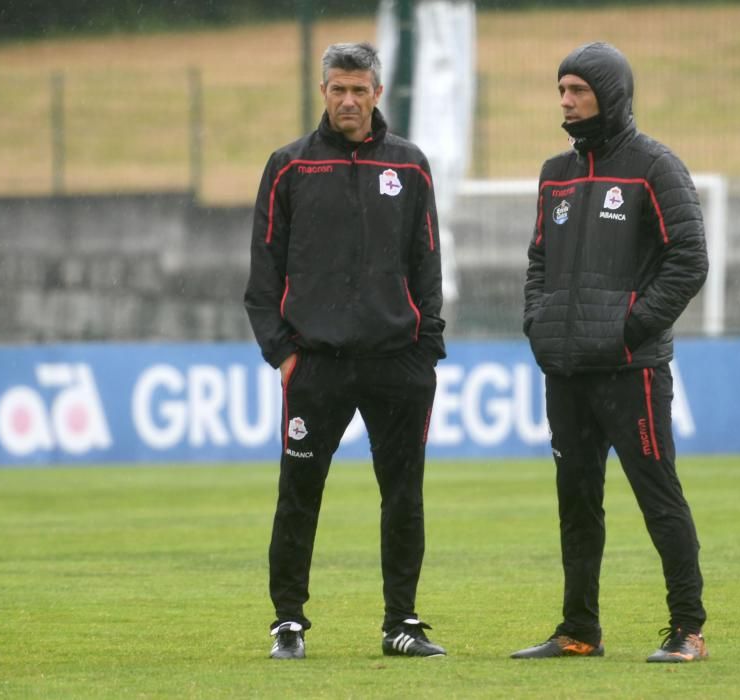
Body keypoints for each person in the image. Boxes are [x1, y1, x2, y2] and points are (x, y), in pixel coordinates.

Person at [244, 42, 447, 660]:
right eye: (338, 89)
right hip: (317, 364)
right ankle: (288, 623)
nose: (349, 101)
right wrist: (282, 353)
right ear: (323, 91)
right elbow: (263, 272)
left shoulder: (410, 165)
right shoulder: (289, 166)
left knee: (403, 495)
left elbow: (428, 260)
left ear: (378, 93)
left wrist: (426, 347)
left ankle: (402, 625)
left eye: (360, 89)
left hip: (396, 362)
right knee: (299, 493)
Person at [513, 42, 709, 663]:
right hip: (566, 371)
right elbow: (539, 259)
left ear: (611, 95)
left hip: (632, 370)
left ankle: (687, 630)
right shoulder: (556, 173)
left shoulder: (656, 167)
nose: (565, 102)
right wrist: (538, 322)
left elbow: (689, 260)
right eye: (561, 90)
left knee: (659, 497)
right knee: (576, 503)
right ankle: (579, 631)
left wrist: (631, 327)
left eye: (577, 90)